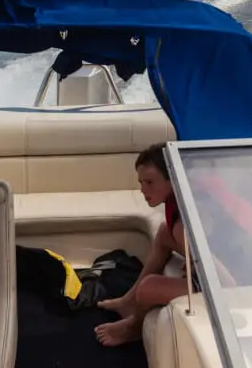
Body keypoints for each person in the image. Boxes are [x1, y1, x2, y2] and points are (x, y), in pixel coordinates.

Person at [94, 142, 235, 347]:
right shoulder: (185, 197)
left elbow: (227, 284)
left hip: (233, 290)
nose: (143, 190)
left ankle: (133, 328)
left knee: (149, 287)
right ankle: (128, 301)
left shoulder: (187, 225)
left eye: (150, 182)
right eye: (141, 182)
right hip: (222, 263)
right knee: (163, 233)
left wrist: (198, 269)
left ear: (173, 179)